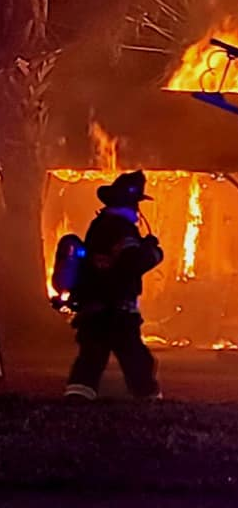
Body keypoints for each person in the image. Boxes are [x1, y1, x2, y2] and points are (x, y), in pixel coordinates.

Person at [64, 170, 164, 401]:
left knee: (91, 358)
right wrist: (153, 251)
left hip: (95, 307)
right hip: (116, 309)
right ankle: (149, 401)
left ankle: (76, 401)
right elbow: (132, 263)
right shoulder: (121, 228)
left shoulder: (100, 225)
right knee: (137, 360)